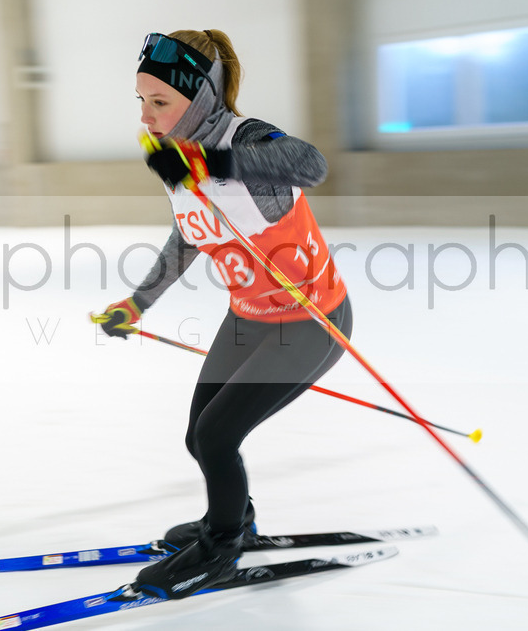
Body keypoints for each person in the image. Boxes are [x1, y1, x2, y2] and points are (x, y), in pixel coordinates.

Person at [97, 30, 352, 600]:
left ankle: (219, 548)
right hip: (251, 315)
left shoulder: (247, 139)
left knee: (216, 437)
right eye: (141, 100)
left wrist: (209, 161)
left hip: (312, 320)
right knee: (199, 433)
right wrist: (136, 303)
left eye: (160, 101)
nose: (147, 116)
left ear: (203, 97)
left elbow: (309, 164)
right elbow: (188, 238)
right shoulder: (170, 159)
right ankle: (237, 517)